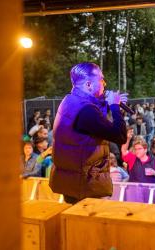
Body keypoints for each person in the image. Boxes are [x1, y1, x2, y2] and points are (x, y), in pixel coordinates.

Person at [49, 62, 127, 204]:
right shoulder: (86, 111)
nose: (105, 83)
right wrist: (115, 107)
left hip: (73, 181)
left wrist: (105, 101)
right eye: (101, 79)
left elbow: (94, 120)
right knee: (86, 224)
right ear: (89, 85)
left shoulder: (70, 100)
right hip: (84, 184)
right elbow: (120, 135)